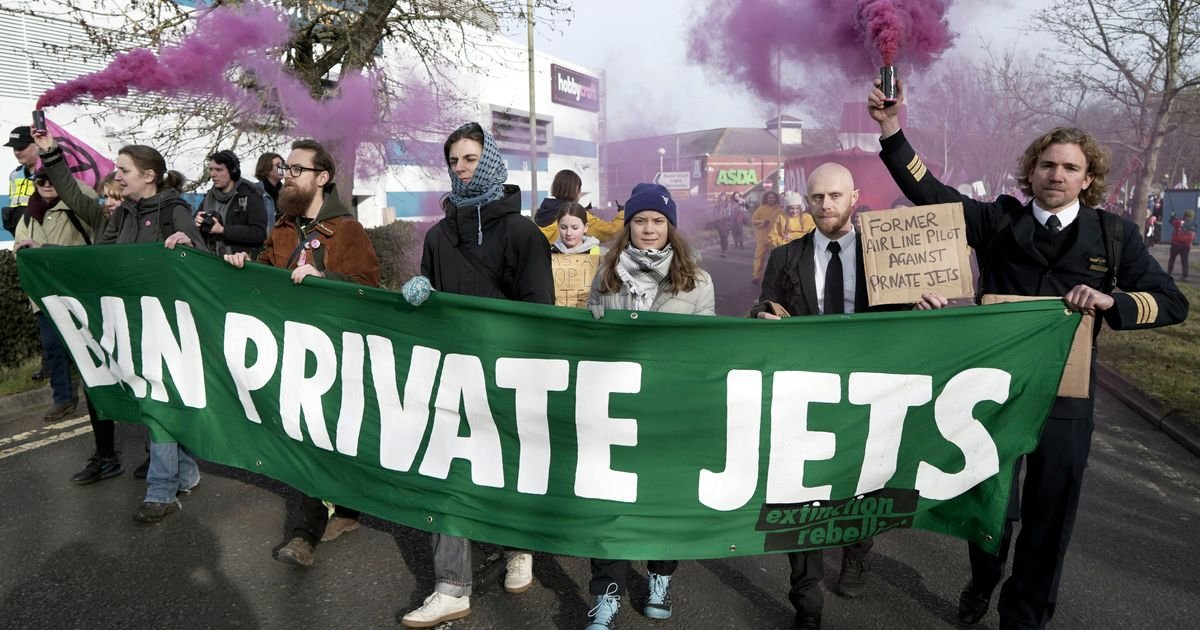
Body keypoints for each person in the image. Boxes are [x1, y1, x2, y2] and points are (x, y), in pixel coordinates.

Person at [870, 79, 1188, 630]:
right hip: (991, 396)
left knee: (1049, 515)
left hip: (1067, 401)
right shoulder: (998, 222)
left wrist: (1113, 300)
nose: (1056, 175)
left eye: (1068, 167)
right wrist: (892, 130)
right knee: (993, 505)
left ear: (1087, 179)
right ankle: (983, 578)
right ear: (1031, 172)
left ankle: (1025, 617)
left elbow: (1172, 302)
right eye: (1046, 165)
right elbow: (932, 195)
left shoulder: (1115, 236)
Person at [750, 163, 947, 630]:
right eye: (817, 198)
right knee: (799, 493)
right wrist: (762, 315)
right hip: (806, 393)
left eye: (835, 196)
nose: (825, 206)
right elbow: (764, 304)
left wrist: (924, 303)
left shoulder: (886, 252)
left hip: (870, 392)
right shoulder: (784, 256)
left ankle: (858, 553)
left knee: (867, 482)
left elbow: (907, 311)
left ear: (854, 197)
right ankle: (805, 596)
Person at [400, 122, 553, 628]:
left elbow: (539, 312)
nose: (462, 168)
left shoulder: (522, 232)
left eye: (470, 158)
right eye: (454, 161)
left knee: (507, 467)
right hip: (455, 374)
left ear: (488, 161)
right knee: (448, 474)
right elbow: (435, 299)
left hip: (508, 375)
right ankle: (451, 586)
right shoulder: (439, 235)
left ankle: (517, 547)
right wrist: (420, 292)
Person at [224, 138, 379, 567]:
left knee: (328, 437)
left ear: (321, 178)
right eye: (285, 168)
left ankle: (329, 518)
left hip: (332, 355)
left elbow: (369, 288)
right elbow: (269, 275)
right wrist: (245, 265)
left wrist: (325, 276)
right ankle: (313, 526)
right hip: (290, 351)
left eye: (296, 169)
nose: (286, 176)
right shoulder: (283, 227)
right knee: (303, 437)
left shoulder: (348, 230)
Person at [584, 183, 715, 630]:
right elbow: (590, 341)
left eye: (658, 220)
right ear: (628, 225)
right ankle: (607, 594)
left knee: (666, 499)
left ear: (670, 226)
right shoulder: (605, 274)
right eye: (640, 220)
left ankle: (660, 577)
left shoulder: (697, 280)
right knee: (611, 504)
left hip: (670, 409)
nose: (648, 228)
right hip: (616, 409)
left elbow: (707, 349)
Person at [102, 143, 209, 523]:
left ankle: (161, 491)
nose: (117, 176)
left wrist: (187, 244)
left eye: (123, 170)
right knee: (151, 402)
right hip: (133, 322)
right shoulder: (124, 213)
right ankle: (185, 471)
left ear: (148, 176)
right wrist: (48, 254)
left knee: (157, 403)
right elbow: (102, 256)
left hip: (167, 325)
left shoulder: (173, 208)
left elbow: (200, 255)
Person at [29, 127, 124, 484]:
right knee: (95, 383)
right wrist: (50, 152)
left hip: (134, 320)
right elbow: (69, 187)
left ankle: (164, 457)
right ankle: (105, 456)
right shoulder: (99, 219)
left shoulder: (143, 223)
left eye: (117, 197)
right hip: (100, 317)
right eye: (106, 198)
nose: (110, 204)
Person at [13, 166, 102, 422]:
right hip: (45, 296)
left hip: (77, 292)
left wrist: (62, 176)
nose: (46, 184)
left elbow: (88, 196)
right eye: (40, 180)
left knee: (88, 346)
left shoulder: (77, 206)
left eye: (52, 179)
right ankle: (63, 399)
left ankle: (101, 394)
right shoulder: (28, 215)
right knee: (54, 350)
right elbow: (21, 248)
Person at [195, 150, 268, 256]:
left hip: (240, 262)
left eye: (219, 170)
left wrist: (223, 230)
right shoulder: (209, 197)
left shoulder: (250, 195)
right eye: (211, 169)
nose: (213, 174)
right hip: (211, 259)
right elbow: (196, 229)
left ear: (232, 171)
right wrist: (197, 221)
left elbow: (259, 233)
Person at [534, 169, 623, 244]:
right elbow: (611, 231)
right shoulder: (578, 215)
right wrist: (623, 214)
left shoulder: (542, 212)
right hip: (571, 263)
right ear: (576, 189)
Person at [4, 125, 39, 235]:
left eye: (21, 147)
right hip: (19, 233)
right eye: (14, 148)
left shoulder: (51, 172)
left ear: (37, 145)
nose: (16, 152)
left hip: (42, 235)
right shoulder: (15, 174)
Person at [750, 190, 784, 284]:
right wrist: (762, 222)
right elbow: (753, 220)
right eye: (769, 197)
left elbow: (784, 223)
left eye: (772, 197)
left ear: (776, 199)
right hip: (762, 238)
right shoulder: (761, 209)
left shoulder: (780, 210)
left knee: (775, 258)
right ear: (766, 198)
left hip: (775, 238)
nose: (771, 199)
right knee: (758, 257)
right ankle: (756, 277)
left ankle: (775, 277)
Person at [254, 151, 282, 229]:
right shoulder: (253, 192)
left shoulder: (287, 194)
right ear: (266, 167)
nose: (282, 168)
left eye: (283, 165)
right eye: (278, 165)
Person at [1168, 209, 1194, 280]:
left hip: (1176, 244)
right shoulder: (1192, 224)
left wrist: (1173, 215)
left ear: (1184, 215)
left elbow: (1171, 221)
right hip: (1186, 246)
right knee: (1184, 261)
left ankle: (1169, 273)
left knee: (1172, 259)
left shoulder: (1179, 222)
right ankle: (1185, 276)